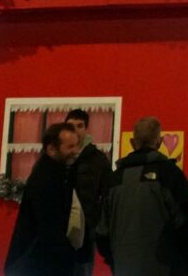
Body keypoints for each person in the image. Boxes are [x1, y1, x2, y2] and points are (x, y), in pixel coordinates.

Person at [96, 116, 188, 275]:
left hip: (124, 266)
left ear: (132, 142)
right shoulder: (170, 174)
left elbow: (102, 231)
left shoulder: (114, 180)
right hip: (166, 266)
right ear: (160, 142)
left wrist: (114, 260)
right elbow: (186, 223)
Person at [5, 123, 82, 276]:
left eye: (76, 145)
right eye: (70, 147)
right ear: (51, 149)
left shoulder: (57, 173)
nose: (76, 151)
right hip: (39, 263)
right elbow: (49, 228)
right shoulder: (46, 179)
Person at [65, 109, 113, 276]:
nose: (75, 130)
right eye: (71, 126)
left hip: (86, 230)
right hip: (58, 229)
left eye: (80, 126)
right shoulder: (58, 156)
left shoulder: (97, 159)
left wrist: (98, 224)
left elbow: (108, 193)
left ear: (86, 129)